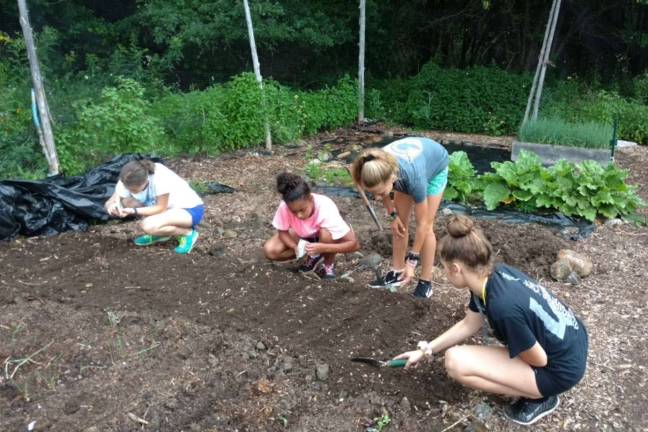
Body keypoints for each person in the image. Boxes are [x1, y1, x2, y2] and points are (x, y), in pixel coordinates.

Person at [393, 215, 589, 426]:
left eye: (444, 267)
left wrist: (514, 344)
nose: (446, 275)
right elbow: (469, 323)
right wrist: (424, 350)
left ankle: (540, 398)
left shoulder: (502, 307)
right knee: (462, 356)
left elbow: (539, 360)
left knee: (456, 363)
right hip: (573, 342)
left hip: (560, 369)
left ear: (456, 269)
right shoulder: (494, 277)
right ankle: (532, 387)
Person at [350, 136, 449, 298]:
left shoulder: (414, 180)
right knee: (400, 223)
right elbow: (384, 196)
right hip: (409, 167)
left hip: (435, 166)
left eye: (381, 193)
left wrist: (412, 261)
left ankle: (425, 282)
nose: (377, 198)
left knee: (427, 227)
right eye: (373, 194)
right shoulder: (376, 165)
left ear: (393, 179)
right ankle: (397, 272)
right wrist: (393, 215)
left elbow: (422, 225)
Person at [263, 172, 359, 279]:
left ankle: (327, 265)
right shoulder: (285, 206)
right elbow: (282, 231)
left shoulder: (325, 208)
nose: (298, 215)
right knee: (270, 251)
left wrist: (324, 248)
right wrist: (294, 247)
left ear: (311, 200)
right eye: (293, 212)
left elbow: (354, 245)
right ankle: (312, 256)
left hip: (324, 238)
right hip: (303, 235)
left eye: (302, 210)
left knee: (327, 233)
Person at [104, 159, 205, 254]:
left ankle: (187, 233)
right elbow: (111, 201)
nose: (129, 192)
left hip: (189, 210)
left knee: (148, 226)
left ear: (146, 181)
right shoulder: (126, 179)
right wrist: (112, 206)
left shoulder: (160, 178)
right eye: (128, 189)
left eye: (134, 191)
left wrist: (133, 211)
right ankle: (161, 234)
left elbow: (160, 208)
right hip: (166, 211)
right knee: (127, 201)